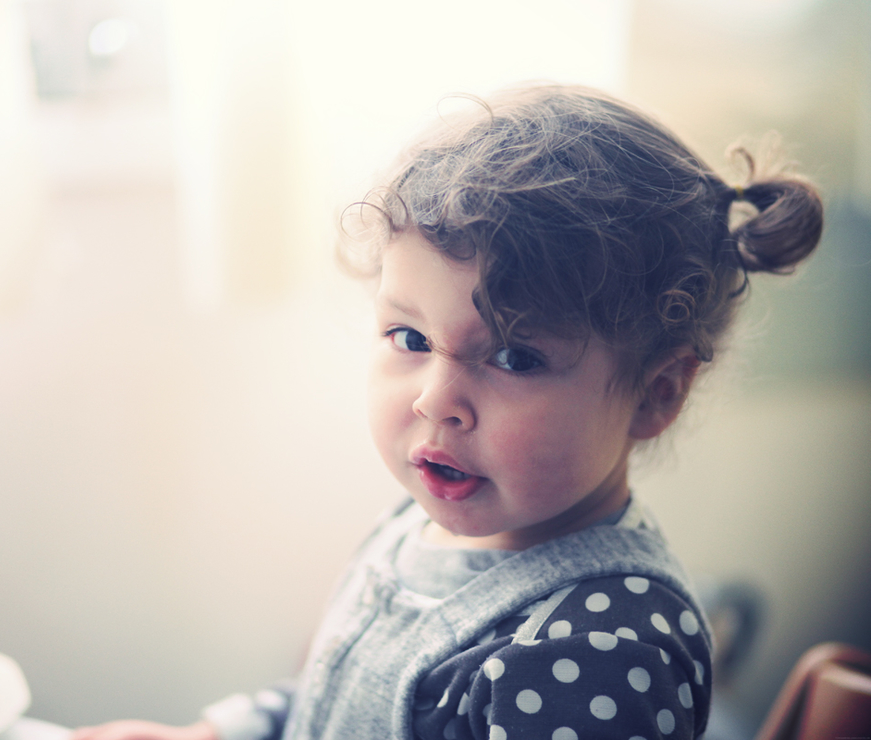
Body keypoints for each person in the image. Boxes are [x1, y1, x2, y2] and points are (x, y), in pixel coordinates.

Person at [71, 84, 823, 740]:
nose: (434, 398)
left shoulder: (599, 654)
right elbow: (336, 698)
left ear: (657, 393)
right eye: (409, 337)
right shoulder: (432, 515)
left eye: (513, 358)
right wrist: (217, 732)